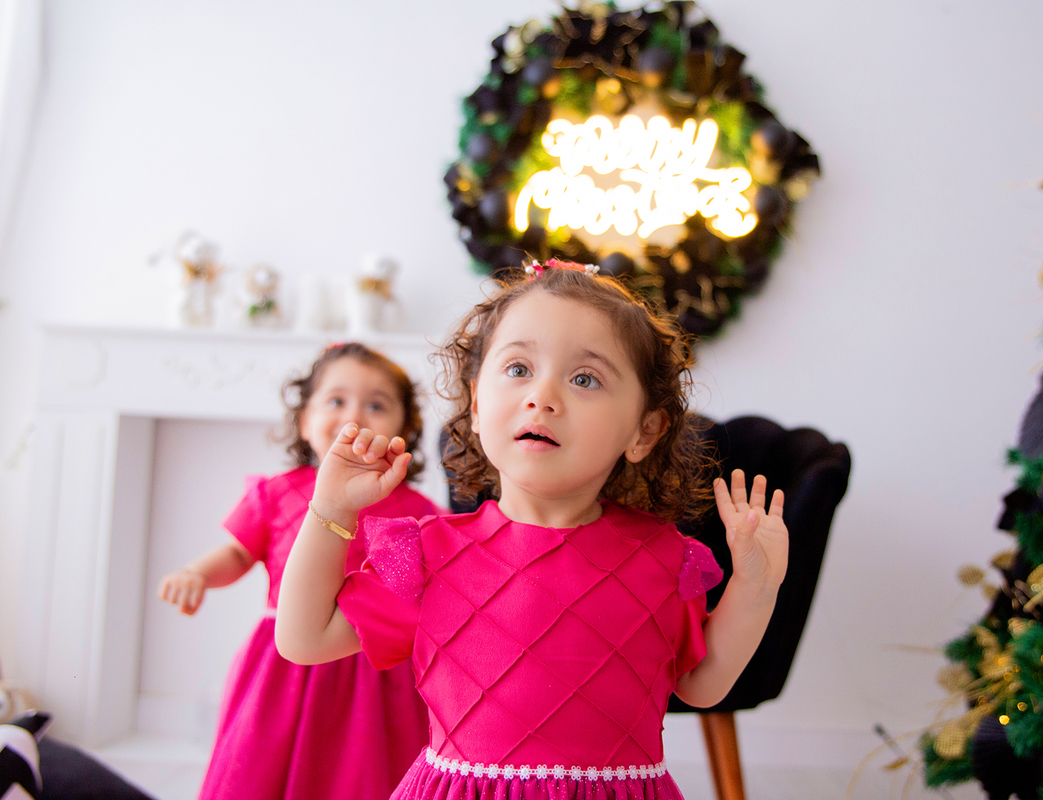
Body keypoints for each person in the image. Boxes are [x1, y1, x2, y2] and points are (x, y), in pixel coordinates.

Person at [276, 262, 789, 800]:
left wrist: (755, 588)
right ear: (476, 405)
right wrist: (329, 512)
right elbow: (303, 640)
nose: (542, 396)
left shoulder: (664, 558)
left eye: (584, 378)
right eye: (519, 368)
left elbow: (702, 686)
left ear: (644, 430)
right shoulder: (428, 556)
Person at [158, 342, 441, 800]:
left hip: (375, 674)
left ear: (405, 428)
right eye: (336, 400)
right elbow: (237, 554)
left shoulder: (418, 513)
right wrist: (196, 574)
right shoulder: (277, 494)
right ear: (305, 420)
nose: (355, 415)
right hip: (282, 668)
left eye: (376, 404)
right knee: (263, 769)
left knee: (364, 775)